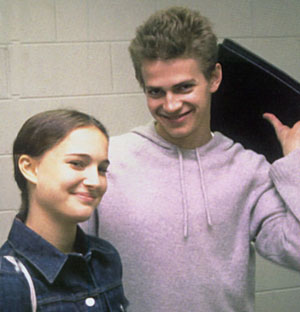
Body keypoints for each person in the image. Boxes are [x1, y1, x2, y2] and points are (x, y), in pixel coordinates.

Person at [82, 6, 300, 312]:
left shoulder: (248, 169)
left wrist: (296, 163)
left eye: (184, 87)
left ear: (214, 78)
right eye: (156, 91)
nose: (170, 105)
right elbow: (68, 266)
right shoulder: (108, 161)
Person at [0, 109, 129, 311]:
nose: (95, 181)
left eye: (101, 169)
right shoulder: (8, 279)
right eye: (77, 164)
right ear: (30, 168)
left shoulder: (105, 258)